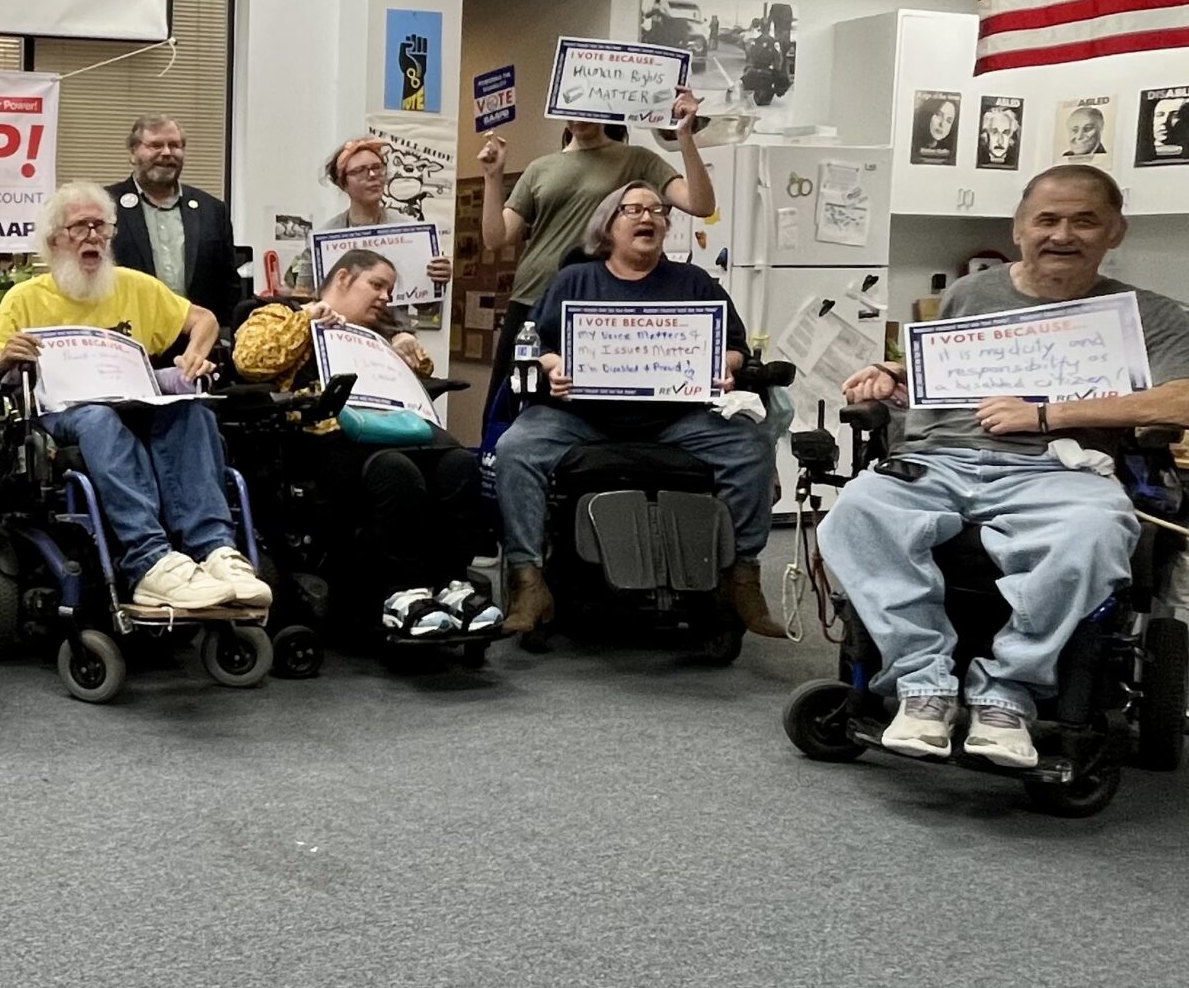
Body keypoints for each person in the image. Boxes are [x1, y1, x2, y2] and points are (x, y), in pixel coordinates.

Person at [821, 165, 1189, 768]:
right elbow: (946, 378)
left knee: (1097, 532)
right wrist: (896, 376)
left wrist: (1048, 413)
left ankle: (1006, 694)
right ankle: (924, 686)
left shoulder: (1145, 315)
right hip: (940, 460)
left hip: (1058, 470)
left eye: (1085, 220)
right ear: (1019, 229)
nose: (1063, 234)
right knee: (854, 513)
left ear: (1116, 231)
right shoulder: (969, 295)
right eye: (1047, 220)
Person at [489, 182, 783, 645]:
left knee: (752, 447)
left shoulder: (694, 283)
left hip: (675, 415)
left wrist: (726, 366)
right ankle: (529, 581)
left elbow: (735, 348)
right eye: (633, 210)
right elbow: (535, 345)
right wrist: (551, 365)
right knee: (514, 450)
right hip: (581, 414)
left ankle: (741, 577)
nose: (647, 217)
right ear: (608, 226)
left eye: (657, 210)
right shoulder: (574, 281)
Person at [0, 181, 268, 612]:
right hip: (65, 409)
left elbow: (203, 318)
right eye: (80, 228)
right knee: (98, 420)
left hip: (135, 398)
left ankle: (215, 550)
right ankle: (150, 560)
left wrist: (193, 354)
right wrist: (4, 358)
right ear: (55, 239)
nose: (93, 236)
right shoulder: (26, 297)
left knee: (192, 411)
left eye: (101, 226)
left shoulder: (136, 286)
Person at [230, 249, 490, 638]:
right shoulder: (282, 313)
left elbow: (416, 379)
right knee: (394, 471)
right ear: (344, 279)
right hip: (321, 436)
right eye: (378, 285)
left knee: (458, 465)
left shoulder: (379, 332)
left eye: (390, 289)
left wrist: (405, 350)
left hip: (393, 427)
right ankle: (400, 592)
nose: (386, 297)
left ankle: (451, 584)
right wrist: (308, 319)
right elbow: (251, 360)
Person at [475, 87, 711, 423]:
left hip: (600, 304)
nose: (580, 113)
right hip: (531, 297)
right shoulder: (541, 168)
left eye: (590, 104)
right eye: (572, 103)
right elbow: (495, 238)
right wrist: (492, 177)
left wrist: (685, 136)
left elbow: (701, 204)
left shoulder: (636, 159)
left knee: (593, 409)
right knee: (508, 405)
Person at [106, 116, 245, 325]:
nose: (167, 153)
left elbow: (229, 285)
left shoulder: (212, 210)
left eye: (175, 145)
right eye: (155, 145)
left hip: (198, 342)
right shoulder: (105, 206)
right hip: (128, 335)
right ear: (133, 152)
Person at [315, 137, 455, 293]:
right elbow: (304, 294)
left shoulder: (411, 232)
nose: (373, 175)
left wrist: (437, 279)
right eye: (360, 170)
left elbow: (426, 306)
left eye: (378, 167)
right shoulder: (325, 236)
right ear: (343, 183)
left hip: (393, 317)